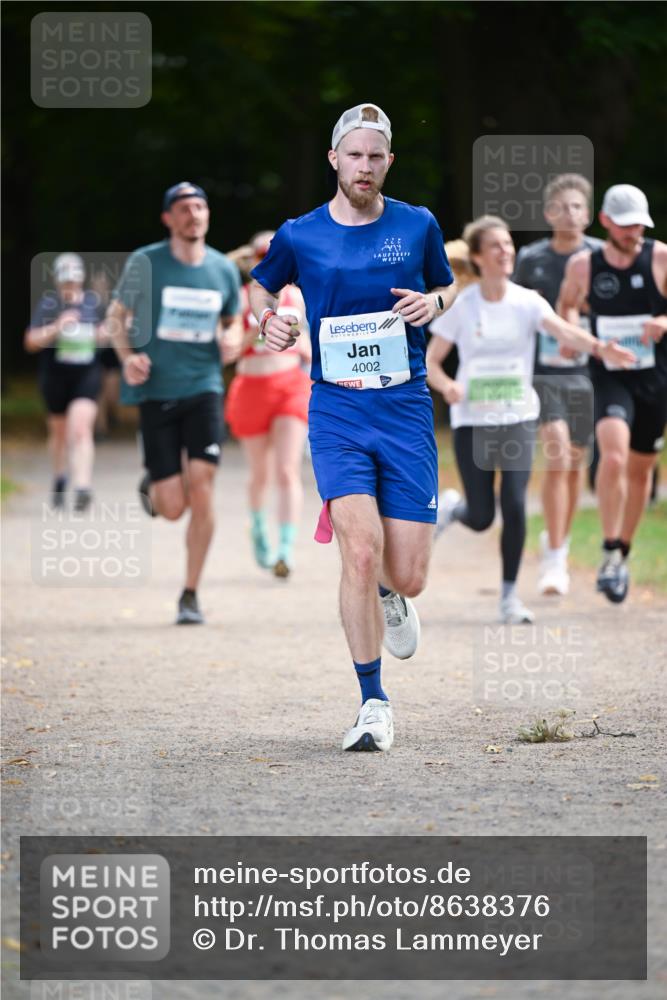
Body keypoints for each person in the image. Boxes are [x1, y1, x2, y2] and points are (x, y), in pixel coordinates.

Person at [249, 103, 457, 752]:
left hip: (403, 410)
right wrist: (270, 322)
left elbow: (448, 286)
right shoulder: (299, 233)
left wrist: (435, 302)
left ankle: (394, 594)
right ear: (334, 159)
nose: (364, 166)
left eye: (376, 156)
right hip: (337, 410)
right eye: (354, 155)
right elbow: (260, 290)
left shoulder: (416, 224)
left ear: (388, 162)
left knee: (407, 572)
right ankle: (372, 702)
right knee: (358, 551)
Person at [426, 215, 636, 623]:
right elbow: (431, 361)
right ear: (477, 257)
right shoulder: (463, 306)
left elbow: (563, 331)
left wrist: (599, 348)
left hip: (518, 413)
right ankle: (455, 508)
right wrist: (447, 385)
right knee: (483, 515)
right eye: (496, 246)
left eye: (509, 244)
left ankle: (508, 598)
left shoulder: (527, 301)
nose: (507, 251)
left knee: (516, 504)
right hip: (472, 418)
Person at [106, 182, 241, 624]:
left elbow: (233, 325)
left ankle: (190, 593)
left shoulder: (222, 269)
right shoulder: (146, 262)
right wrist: (128, 361)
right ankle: (157, 484)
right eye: (184, 208)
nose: (194, 214)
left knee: (202, 488)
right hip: (157, 391)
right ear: (168, 218)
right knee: (173, 507)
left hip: (204, 387)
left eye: (200, 206)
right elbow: (116, 320)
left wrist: (230, 341)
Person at [559, 184, 667, 603]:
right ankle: (607, 548)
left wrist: (663, 323)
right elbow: (566, 306)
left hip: (654, 378)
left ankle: (622, 550)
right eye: (624, 226)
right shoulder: (585, 265)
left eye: (639, 224)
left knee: (640, 470)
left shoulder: (659, 257)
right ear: (605, 222)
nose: (633, 232)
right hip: (608, 373)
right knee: (615, 453)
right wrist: (573, 334)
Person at [513, 174, 604, 595]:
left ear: (588, 214)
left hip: (588, 375)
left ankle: (559, 551)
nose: (570, 214)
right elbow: (510, 311)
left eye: (577, 207)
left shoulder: (604, 257)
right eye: (562, 207)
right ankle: (551, 558)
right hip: (541, 373)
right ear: (549, 213)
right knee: (556, 450)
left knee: (574, 463)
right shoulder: (531, 259)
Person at [225, 231, 312, 578]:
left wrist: (305, 344)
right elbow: (229, 347)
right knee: (260, 473)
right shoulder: (242, 297)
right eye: (263, 255)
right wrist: (257, 328)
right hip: (251, 387)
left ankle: (286, 549)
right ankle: (258, 527)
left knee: (287, 469)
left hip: (290, 385)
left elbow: (308, 337)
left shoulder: (296, 296)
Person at [24, 253, 105, 511]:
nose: (70, 286)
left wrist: (101, 333)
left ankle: (83, 486)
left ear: (81, 280)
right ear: (58, 282)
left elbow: (106, 336)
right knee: (59, 433)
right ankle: (60, 476)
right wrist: (57, 327)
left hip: (86, 374)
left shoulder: (94, 304)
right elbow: (30, 342)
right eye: (65, 281)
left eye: (74, 281)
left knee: (80, 429)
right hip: (55, 376)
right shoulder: (49, 305)